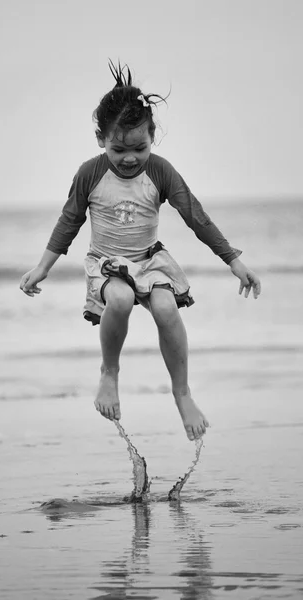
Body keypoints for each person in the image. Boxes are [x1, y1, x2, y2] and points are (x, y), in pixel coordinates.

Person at [20, 61, 261, 441]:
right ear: (101, 140)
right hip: (107, 263)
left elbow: (195, 216)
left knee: (166, 308)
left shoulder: (161, 172)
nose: (129, 158)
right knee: (118, 298)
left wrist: (234, 261)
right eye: (119, 149)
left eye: (139, 147)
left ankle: (182, 393)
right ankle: (109, 373)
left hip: (150, 261)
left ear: (152, 138)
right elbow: (70, 220)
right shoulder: (90, 173)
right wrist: (42, 268)